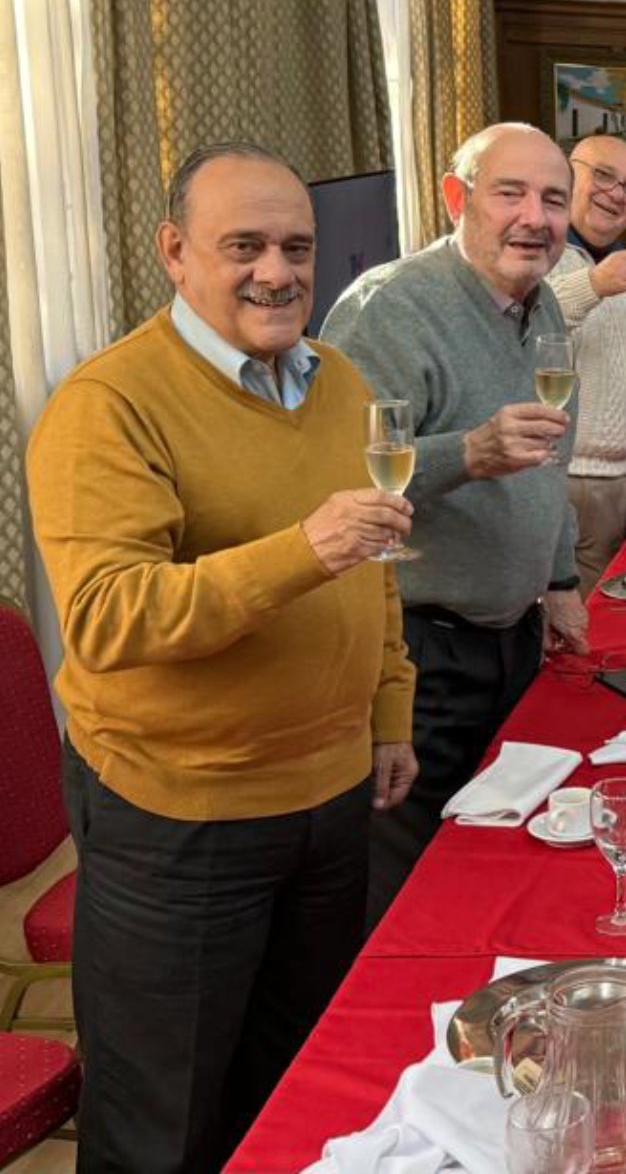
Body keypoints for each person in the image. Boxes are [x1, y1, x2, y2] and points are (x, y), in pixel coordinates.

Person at [26, 142, 417, 1173]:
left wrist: (388, 711)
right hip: (184, 820)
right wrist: (303, 549)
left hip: (333, 801)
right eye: (243, 246)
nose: (277, 272)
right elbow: (108, 616)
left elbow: (375, 569)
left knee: (295, 1095)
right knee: (164, 1128)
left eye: (297, 247)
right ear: (174, 251)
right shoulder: (109, 402)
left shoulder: (339, 378)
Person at [322, 120, 589, 927]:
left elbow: (552, 462)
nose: (534, 218)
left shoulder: (542, 304)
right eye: (511, 194)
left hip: (511, 640)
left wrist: (560, 577)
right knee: (408, 891)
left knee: (497, 868)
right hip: (419, 651)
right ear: (455, 198)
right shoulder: (389, 308)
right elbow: (340, 478)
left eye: (553, 200)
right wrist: (469, 453)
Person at [546, 132, 626, 592]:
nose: (617, 194)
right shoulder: (542, 251)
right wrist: (593, 284)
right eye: (604, 176)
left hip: (617, 483)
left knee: (606, 615)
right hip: (564, 478)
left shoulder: (621, 263)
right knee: (568, 620)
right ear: (569, 177)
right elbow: (528, 326)